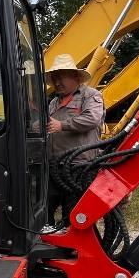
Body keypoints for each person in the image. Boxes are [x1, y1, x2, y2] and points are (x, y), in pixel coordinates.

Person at [46, 53, 105, 221]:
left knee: (73, 213)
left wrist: (61, 125)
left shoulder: (90, 95)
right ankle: (49, 240)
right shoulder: (54, 102)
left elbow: (92, 119)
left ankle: (71, 246)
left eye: (60, 77)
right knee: (45, 207)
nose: (57, 82)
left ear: (75, 76)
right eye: (54, 78)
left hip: (79, 166)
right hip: (55, 165)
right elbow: (50, 126)